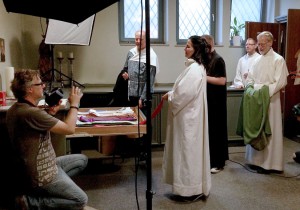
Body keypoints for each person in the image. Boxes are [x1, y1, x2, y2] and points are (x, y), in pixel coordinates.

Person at [6, 69, 89, 210]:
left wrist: (49, 113)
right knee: (80, 200)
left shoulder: (17, 108)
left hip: (46, 166)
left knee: (81, 160)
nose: (44, 86)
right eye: (40, 84)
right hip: (40, 175)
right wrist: (74, 104)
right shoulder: (31, 112)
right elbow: (69, 129)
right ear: (30, 89)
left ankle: (57, 186)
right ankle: (30, 202)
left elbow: (35, 126)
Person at [162, 35, 211, 202]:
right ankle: (186, 187)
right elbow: (183, 90)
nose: (185, 48)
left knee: (187, 153)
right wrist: (170, 94)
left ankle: (189, 190)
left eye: (188, 46)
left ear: (196, 50)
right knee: (187, 151)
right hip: (188, 115)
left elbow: (184, 94)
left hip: (188, 118)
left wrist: (171, 97)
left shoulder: (195, 69)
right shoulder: (194, 68)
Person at [245, 31, 289, 173]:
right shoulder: (256, 60)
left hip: (270, 100)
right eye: (259, 44)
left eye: (263, 44)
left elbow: (280, 82)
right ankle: (255, 161)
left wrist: (261, 90)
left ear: (271, 43)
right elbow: (250, 78)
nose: (260, 47)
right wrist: (251, 88)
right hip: (257, 99)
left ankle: (270, 164)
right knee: (256, 127)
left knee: (270, 129)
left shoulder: (278, 59)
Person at [202, 34, 229, 174]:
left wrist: (203, 77)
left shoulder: (218, 60)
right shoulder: (205, 59)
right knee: (209, 132)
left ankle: (218, 163)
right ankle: (209, 160)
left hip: (216, 102)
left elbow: (222, 81)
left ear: (209, 45)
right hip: (208, 100)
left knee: (216, 132)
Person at [120, 30, 159, 111]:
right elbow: (125, 68)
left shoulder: (151, 56)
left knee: (143, 122)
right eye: (136, 39)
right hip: (130, 95)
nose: (137, 41)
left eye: (140, 39)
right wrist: (125, 73)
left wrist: (142, 98)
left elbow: (150, 81)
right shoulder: (131, 53)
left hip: (142, 97)